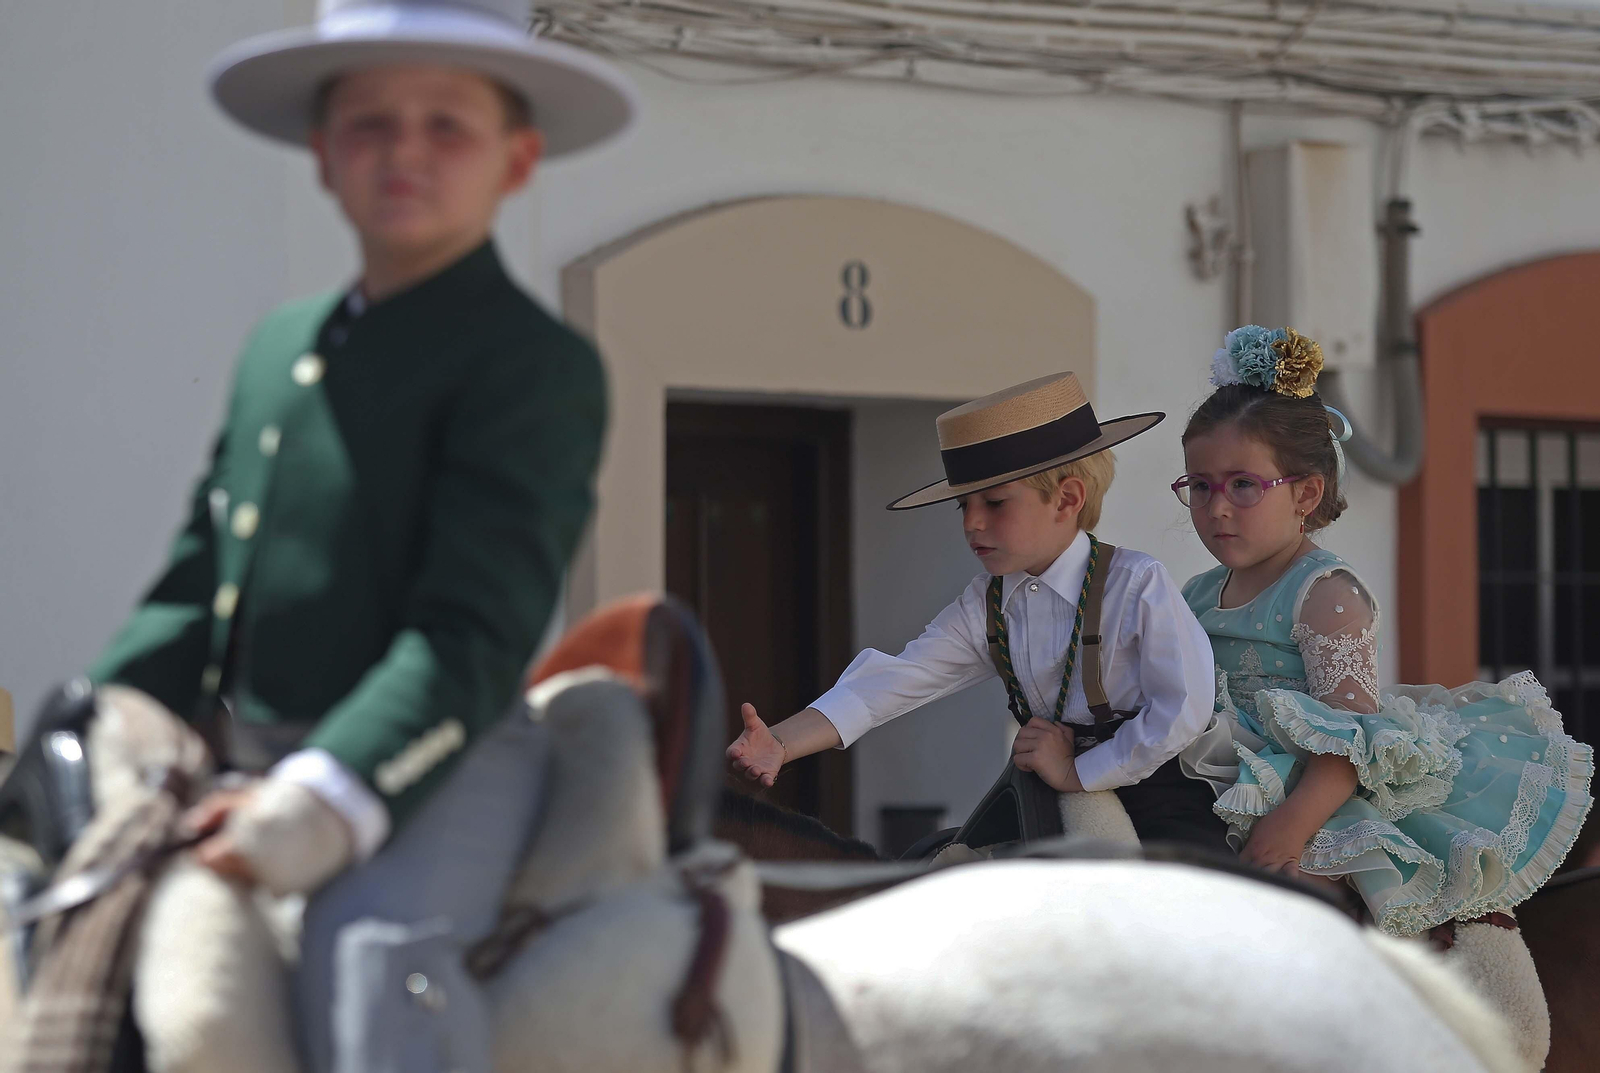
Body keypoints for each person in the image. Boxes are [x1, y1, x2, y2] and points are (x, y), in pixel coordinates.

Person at [83, 0, 635, 1066]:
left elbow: (469, 636)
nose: (404, 153)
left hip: (434, 762)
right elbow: (199, 583)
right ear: (322, 155)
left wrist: (322, 801)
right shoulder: (278, 347)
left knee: (373, 978)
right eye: (369, 124)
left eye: (448, 127)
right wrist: (102, 717)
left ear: (516, 163)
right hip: (242, 751)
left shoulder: (532, 361)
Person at [1177, 324, 1594, 934]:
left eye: (1243, 485)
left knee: (1288, 915)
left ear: (1306, 493)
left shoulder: (1324, 597)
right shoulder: (1195, 594)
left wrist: (1289, 828)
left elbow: (1352, 746)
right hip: (1229, 787)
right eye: (1201, 487)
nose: (1216, 508)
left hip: (1320, 799)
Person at [728, 372, 1229, 849]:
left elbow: (1182, 709)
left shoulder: (1137, 583)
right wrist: (781, 743)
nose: (972, 523)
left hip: (1158, 789)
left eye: (994, 503)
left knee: (1184, 907)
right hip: (1046, 789)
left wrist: (1080, 771)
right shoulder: (986, 605)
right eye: (962, 506)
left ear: (1066, 500)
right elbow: (895, 682)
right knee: (942, 868)